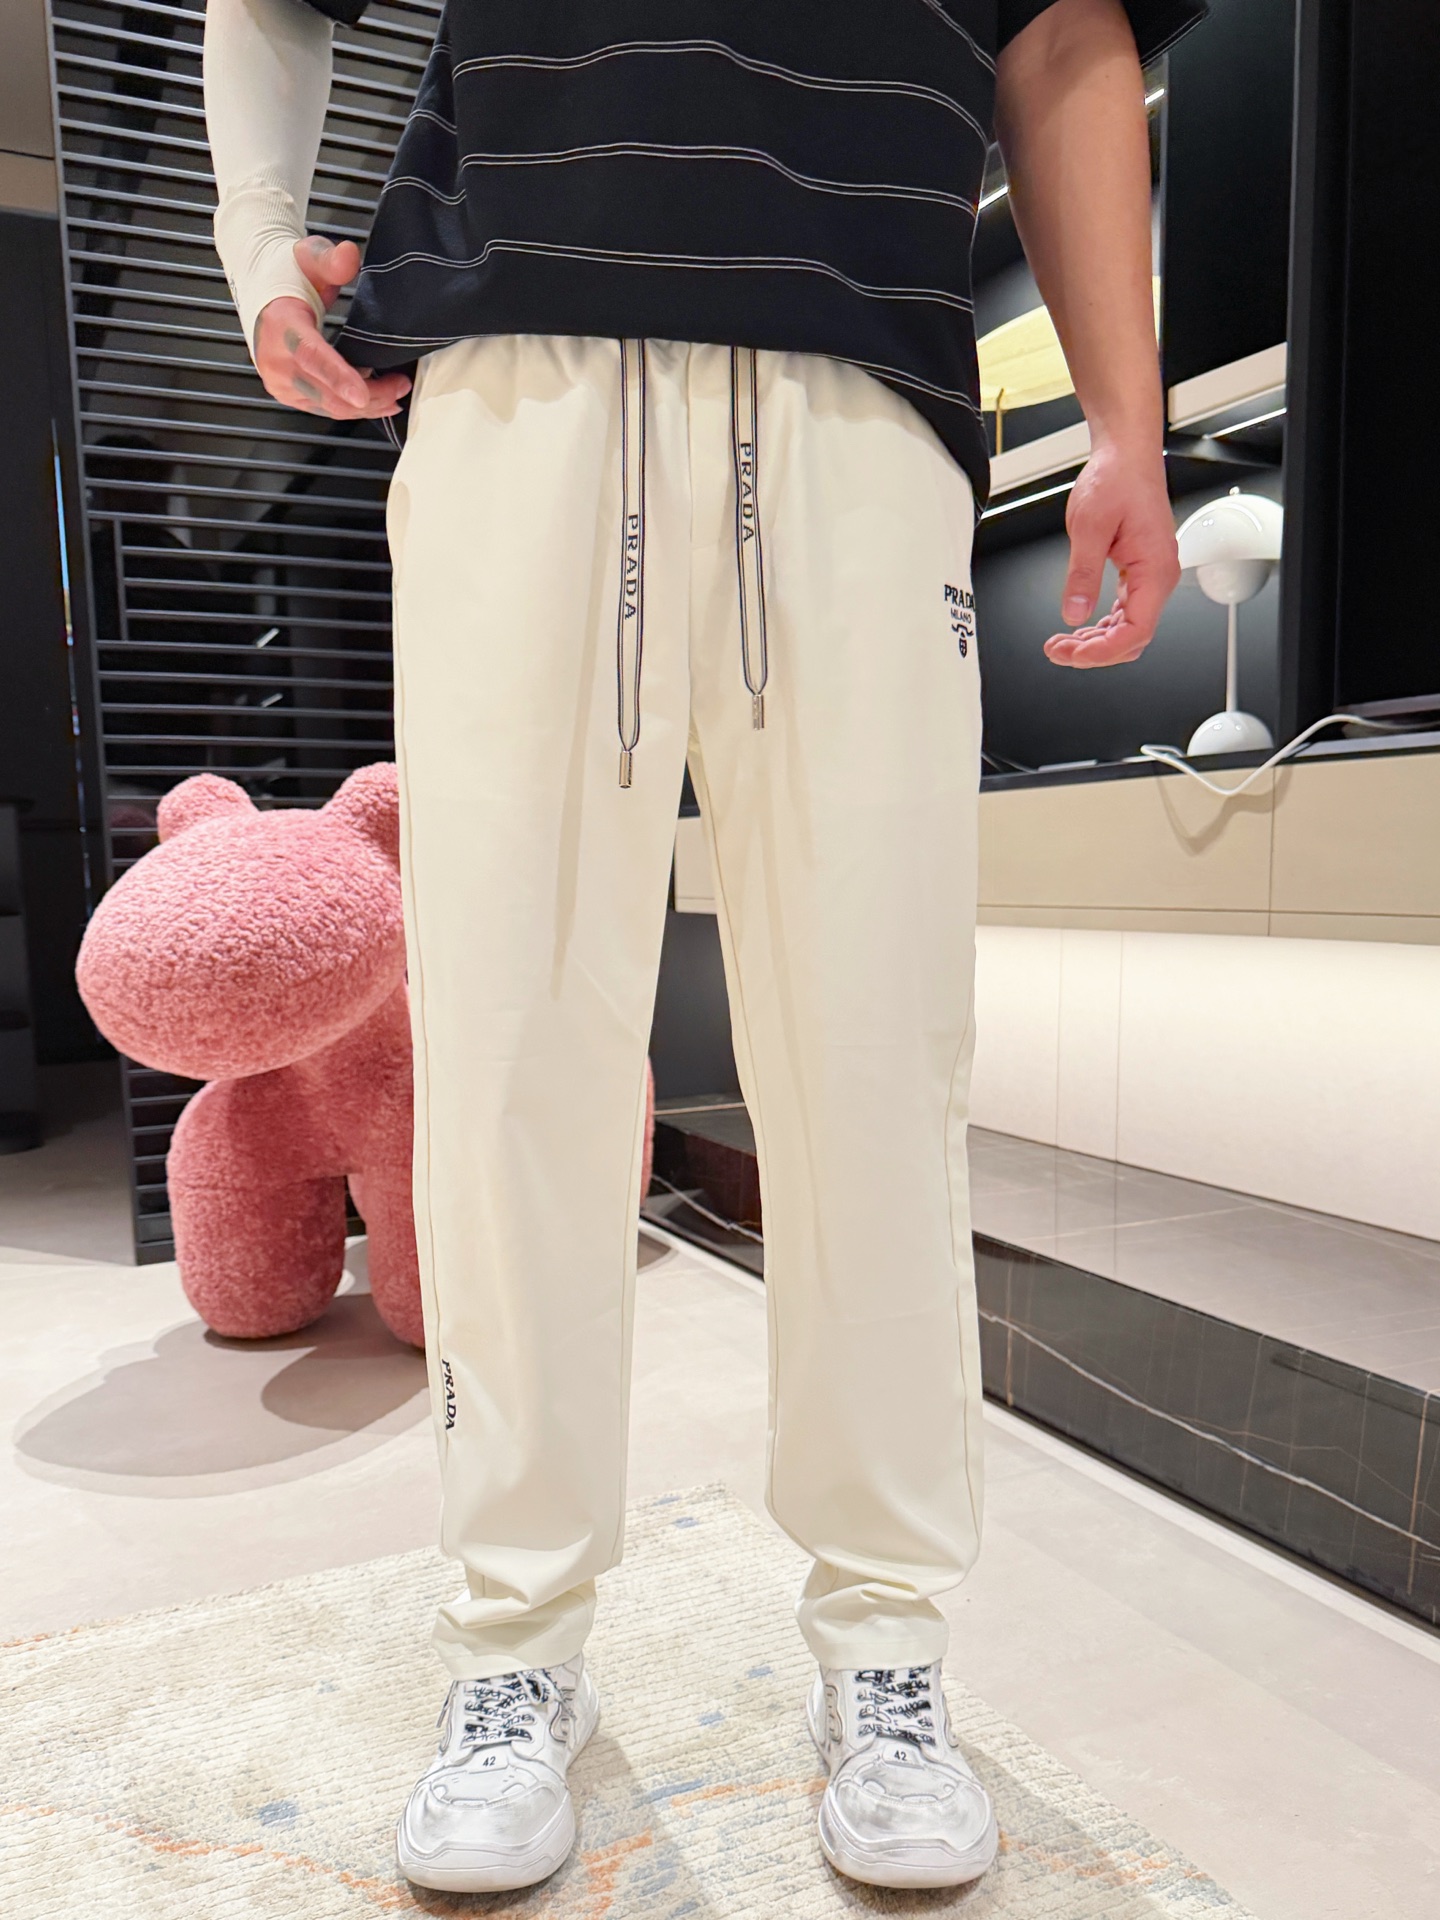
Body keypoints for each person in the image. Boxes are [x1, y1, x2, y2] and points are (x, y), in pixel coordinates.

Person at [204, 0, 1204, 1893]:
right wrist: (259, 247)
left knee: (875, 1054)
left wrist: (1129, 424)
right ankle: (513, 1643)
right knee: (511, 1048)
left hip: (863, 386)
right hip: (516, 371)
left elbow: (1067, 36)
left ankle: (885, 1644)